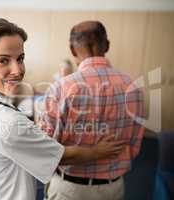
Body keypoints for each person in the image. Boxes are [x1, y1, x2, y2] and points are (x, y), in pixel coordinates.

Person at [0, 18, 127, 200]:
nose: (18, 70)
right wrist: (97, 151)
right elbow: (60, 155)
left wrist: (30, 133)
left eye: (20, 58)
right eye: (3, 61)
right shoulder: (9, 122)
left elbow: (5, 142)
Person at [39, 21, 146, 200]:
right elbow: (134, 148)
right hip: (113, 188)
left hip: (70, 190)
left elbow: (45, 150)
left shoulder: (60, 88)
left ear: (72, 50)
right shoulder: (134, 87)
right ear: (108, 45)